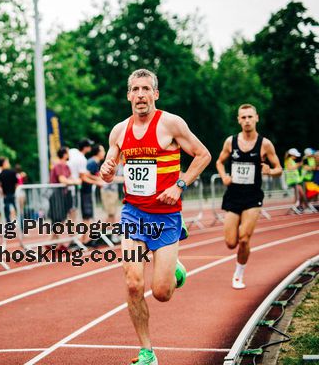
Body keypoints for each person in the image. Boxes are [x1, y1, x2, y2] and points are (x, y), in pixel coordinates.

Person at [100, 69, 211, 365]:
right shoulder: (119, 131)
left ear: (155, 94)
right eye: (134, 89)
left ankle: (174, 266)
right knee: (134, 282)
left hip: (166, 215)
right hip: (134, 214)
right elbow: (110, 166)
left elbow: (203, 155)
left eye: (145, 89)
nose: (140, 95)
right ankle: (147, 351)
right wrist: (107, 171)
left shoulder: (171, 124)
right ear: (128, 95)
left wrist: (180, 185)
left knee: (161, 293)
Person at [216, 103, 282, 290]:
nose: (246, 120)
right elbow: (219, 162)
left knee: (244, 239)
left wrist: (270, 171)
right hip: (233, 195)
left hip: (253, 197)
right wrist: (224, 176)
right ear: (238, 120)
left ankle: (238, 274)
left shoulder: (265, 144)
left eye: (250, 117)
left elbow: (279, 168)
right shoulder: (231, 142)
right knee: (230, 243)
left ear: (256, 118)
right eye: (243, 117)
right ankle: (239, 252)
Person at [82, 144, 106, 247]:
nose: (104, 153)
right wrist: (97, 181)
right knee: (87, 216)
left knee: (90, 216)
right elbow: (85, 174)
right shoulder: (92, 162)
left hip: (89, 192)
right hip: (85, 191)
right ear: (98, 152)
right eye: (103, 151)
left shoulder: (96, 162)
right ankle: (85, 239)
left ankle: (89, 238)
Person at [283, 148, 306, 212]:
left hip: (296, 180)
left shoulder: (292, 161)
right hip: (292, 181)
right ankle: (298, 207)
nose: (296, 157)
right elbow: (290, 168)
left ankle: (297, 208)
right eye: (295, 155)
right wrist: (298, 165)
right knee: (301, 194)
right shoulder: (288, 160)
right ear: (292, 155)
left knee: (299, 195)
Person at [0, 157, 18, 223]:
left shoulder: (0, 175)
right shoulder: (13, 172)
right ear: (4, 163)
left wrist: (2, 194)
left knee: (7, 213)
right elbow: (16, 184)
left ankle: (9, 227)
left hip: (5, 195)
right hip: (13, 194)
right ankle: (22, 227)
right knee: (18, 211)